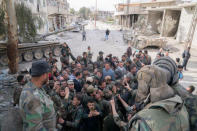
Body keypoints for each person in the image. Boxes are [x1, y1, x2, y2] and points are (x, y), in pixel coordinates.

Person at [19, 61, 56, 130]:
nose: (49, 76)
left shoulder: (34, 87)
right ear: (44, 75)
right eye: (48, 74)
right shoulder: (33, 98)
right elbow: (36, 128)